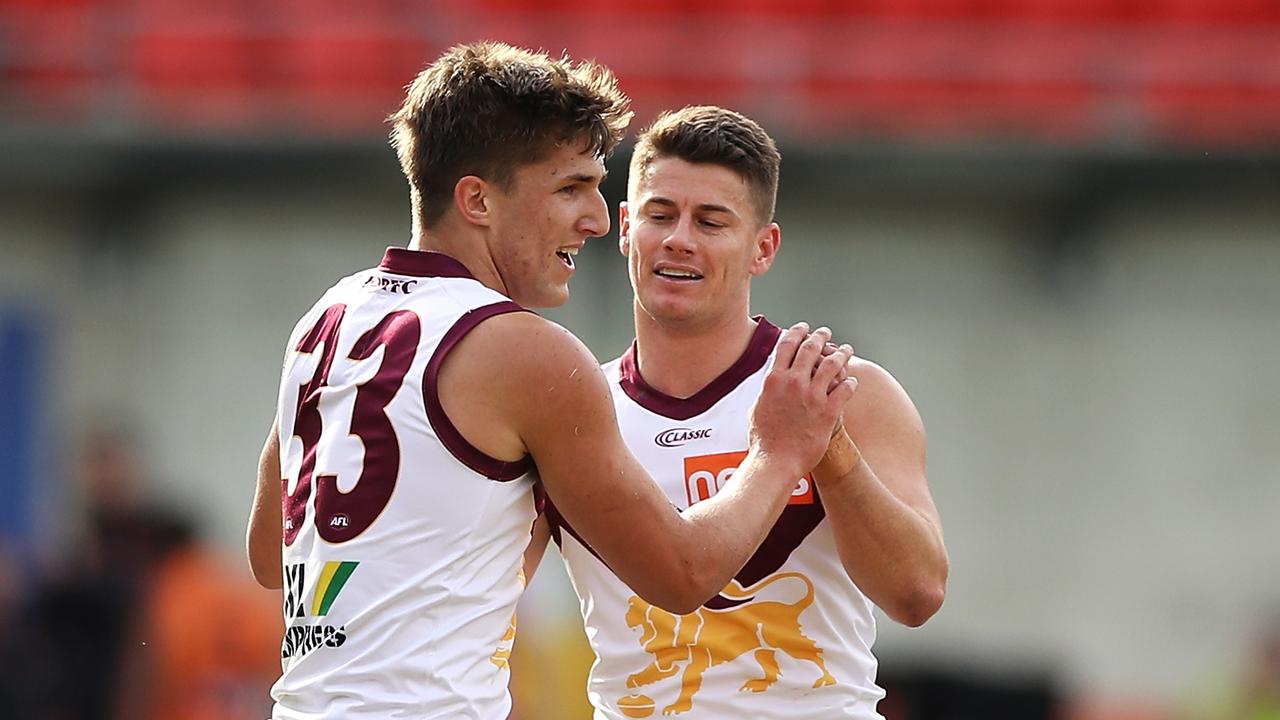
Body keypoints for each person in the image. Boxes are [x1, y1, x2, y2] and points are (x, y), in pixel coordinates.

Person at [245, 43, 855, 720]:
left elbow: (271, 558)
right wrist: (778, 451)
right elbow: (683, 575)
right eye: (570, 188)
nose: (596, 220)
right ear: (476, 199)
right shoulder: (526, 353)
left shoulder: (325, 320)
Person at [533, 105, 949, 719]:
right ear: (625, 229)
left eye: (711, 221)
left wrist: (826, 448)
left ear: (763, 248)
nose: (679, 239)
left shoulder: (842, 391)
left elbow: (917, 595)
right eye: (660, 214)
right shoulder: (572, 412)